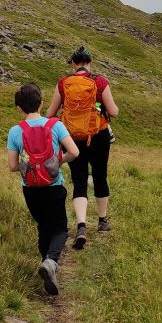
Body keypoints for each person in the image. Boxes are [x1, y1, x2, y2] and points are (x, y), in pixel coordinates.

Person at [7, 83, 79, 296]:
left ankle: (46, 263)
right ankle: (50, 261)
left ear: (19, 108)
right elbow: (74, 152)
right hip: (53, 185)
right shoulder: (55, 125)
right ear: (41, 103)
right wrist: (58, 162)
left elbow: (12, 166)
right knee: (60, 229)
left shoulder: (15, 131)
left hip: (30, 189)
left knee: (43, 225)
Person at [46, 47, 119, 250]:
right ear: (90, 62)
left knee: (79, 179)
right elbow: (113, 111)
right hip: (99, 135)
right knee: (100, 175)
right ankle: (102, 222)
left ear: (73, 63)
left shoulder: (63, 83)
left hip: (72, 137)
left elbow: (51, 113)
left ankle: (81, 226)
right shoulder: (100, 81)